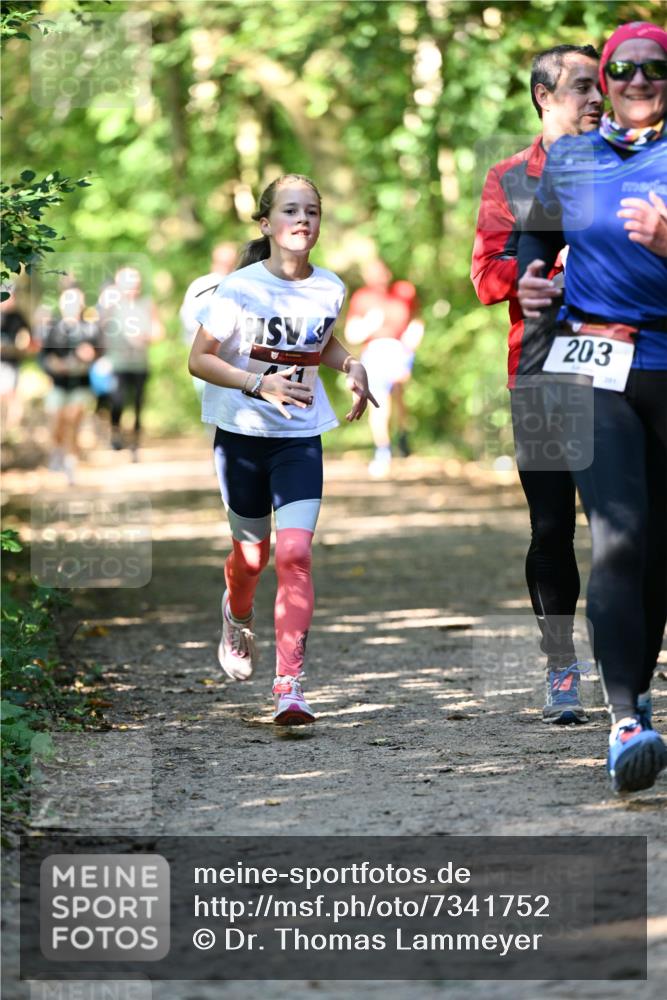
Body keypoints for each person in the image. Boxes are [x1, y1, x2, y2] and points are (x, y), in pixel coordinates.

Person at [517, 21, 667, 792]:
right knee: (616, 533)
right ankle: (624, 720)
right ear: (604, 78)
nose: (639, 81)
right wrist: (533, 279)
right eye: (624, 69)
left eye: (655, 69)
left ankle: (636, 689)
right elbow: (532, 238)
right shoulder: (569, 158)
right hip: (591, 363)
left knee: (658, 552)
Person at [189, 174, 376, 726]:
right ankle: (236, 612)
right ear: (266, 224)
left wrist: (352, 364)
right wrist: (258, 384)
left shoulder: (330, 287)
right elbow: (200, 358)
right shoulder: (240, 288)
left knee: (295, 555)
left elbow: (320, 340)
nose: (303, 220)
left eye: (312, 211)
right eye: (291, 211)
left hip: (299, 437)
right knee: (252, 558)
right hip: (242, 438)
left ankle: (289, 685)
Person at [471, 44, 603, 724]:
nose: (596, 97)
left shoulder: (630, 166)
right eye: (581, 85)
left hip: (626, 365)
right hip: (542, 366)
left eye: (599, 84)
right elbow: (483, 269)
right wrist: (516, 284)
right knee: (551, 527)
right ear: (543, 98)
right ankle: (560, 668)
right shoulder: (509, 178)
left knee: (624, 529)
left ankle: (622, 657)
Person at [344, 259, 423, 477]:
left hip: (399, 351)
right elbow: (352, 334)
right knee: (379, 399)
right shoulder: (362, 298)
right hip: (375, 351)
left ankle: (402, 434)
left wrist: (410, 346)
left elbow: (417, 321)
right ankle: (383, 450)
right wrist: (370, 324)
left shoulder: (404, 291)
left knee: (398, 396)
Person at [99, 266, 164, 457]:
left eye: (135, 284)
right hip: (116, 362)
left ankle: (135, 441)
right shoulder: (112, 305)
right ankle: (116, 433)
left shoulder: (147, 304)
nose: (132, 288)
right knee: (117, 401)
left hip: (139, 363)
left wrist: (146, 337)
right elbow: (100, 329)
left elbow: (158, 331)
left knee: (137, 403)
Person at [41, 286, 101, 483]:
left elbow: (100, 354)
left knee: (73, 420)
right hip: (58, 384)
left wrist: (91, 356)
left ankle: (70, 464)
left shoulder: (90, 328)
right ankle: (58, 452)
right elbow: (43, 358)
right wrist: (54, 366)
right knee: (56, 421)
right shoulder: (52, 329)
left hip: (81, 385)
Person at [180, 243, 238, 400]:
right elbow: (189, 322)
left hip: (233, 362)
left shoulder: (240, 286)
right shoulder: (200, 286)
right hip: (206, 357)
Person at [0, 284, 32, 440]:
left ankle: (10, 432)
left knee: (11, 397)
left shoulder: (19, 317)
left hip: (11, 363)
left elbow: (26, 340)